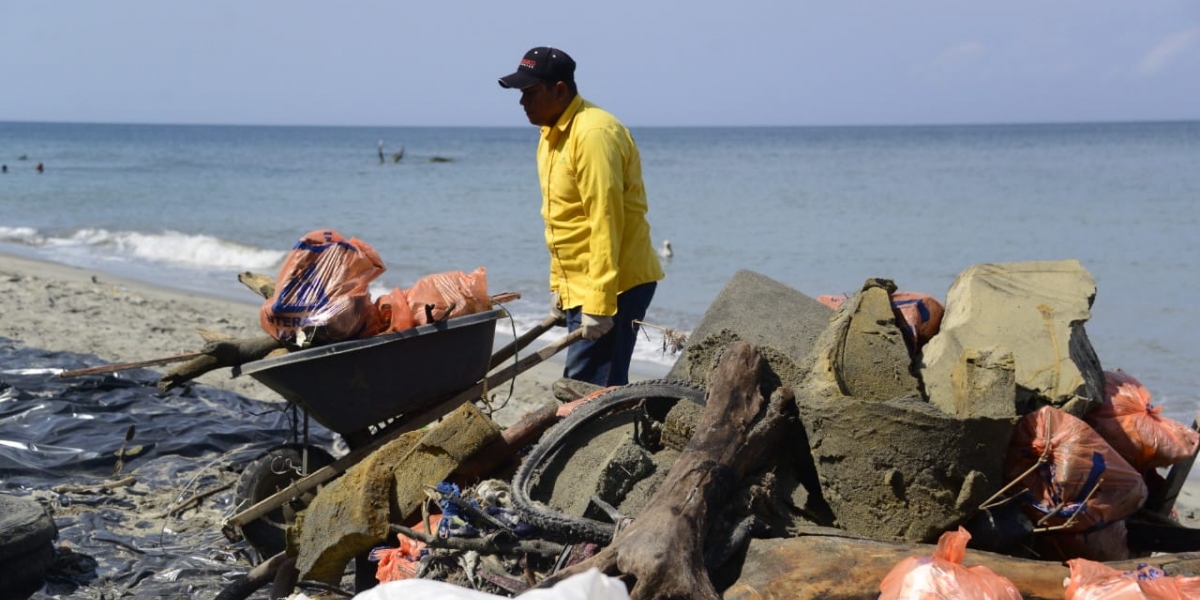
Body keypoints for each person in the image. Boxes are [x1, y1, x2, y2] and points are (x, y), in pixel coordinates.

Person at [498, 46, 664, 387]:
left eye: (530, 93)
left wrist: (599, 305)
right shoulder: (551, 133)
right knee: (586, 387)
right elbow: (563, 222)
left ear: (559, 90)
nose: (522, 103)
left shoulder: (592, 135)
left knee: (588, 391)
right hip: (584, 282)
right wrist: (560, 289)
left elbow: (605, 222)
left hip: (616, 285)